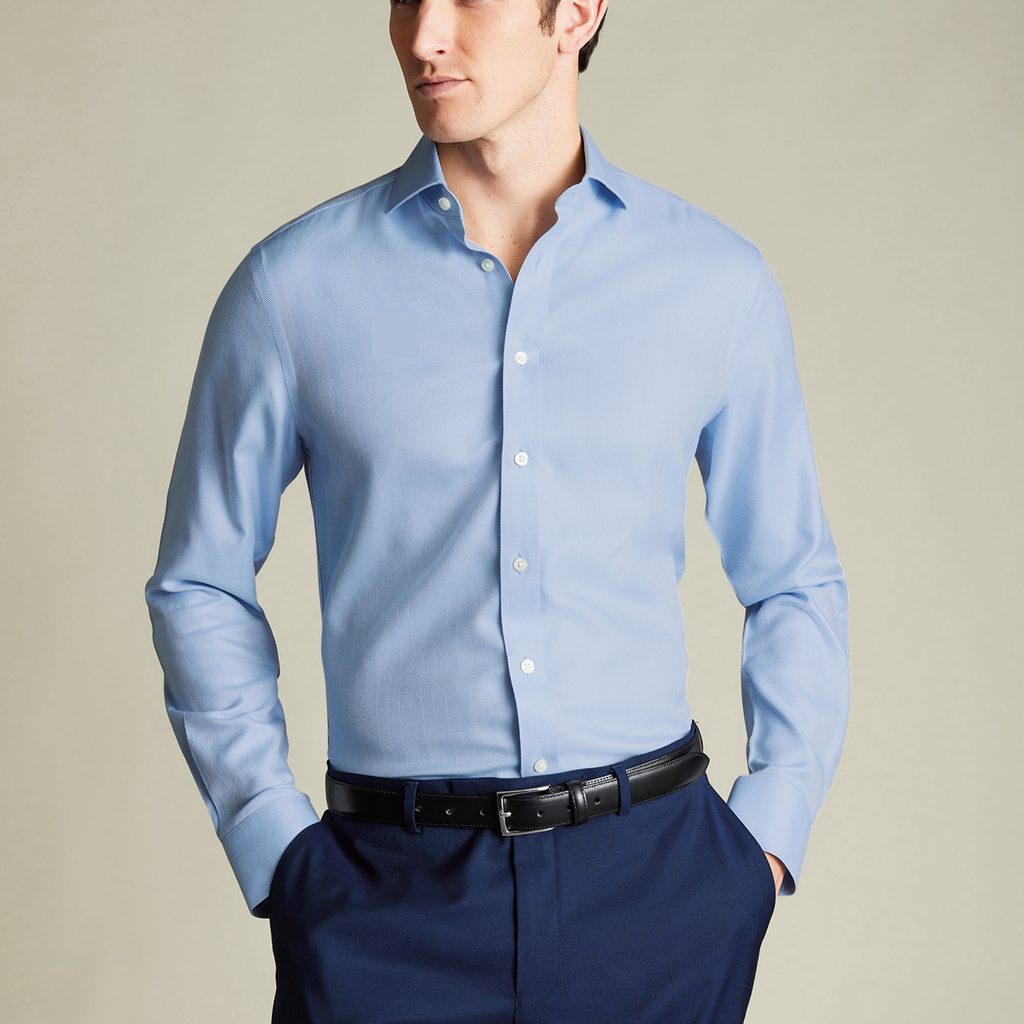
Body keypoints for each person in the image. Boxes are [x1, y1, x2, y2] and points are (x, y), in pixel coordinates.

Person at [144, 1, 849, 1021]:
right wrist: (275, 843)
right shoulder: (292, 289)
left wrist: (764, 843)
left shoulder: (714, 283)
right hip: (383, 901)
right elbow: (199, 580)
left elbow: (792, 579)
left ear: (578, 13)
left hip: (658, 888)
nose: (423, 35)